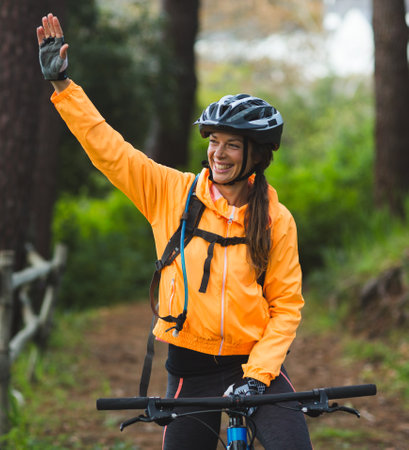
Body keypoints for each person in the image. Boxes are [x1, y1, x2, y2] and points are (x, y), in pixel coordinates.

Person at [37, 13, 312, 450]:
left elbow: (286, 307)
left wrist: (258, 378)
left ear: (256, 155)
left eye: (232, 145)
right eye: (213, 141)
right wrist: (63, 88)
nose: (218, 154)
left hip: (257, 365)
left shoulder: (277, 219)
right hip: (192, 367)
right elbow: (109, 149)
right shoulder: (172, 192)